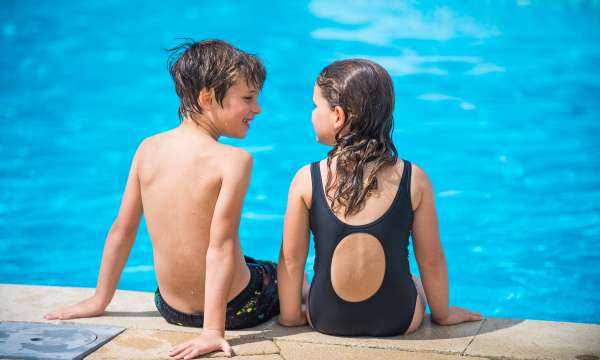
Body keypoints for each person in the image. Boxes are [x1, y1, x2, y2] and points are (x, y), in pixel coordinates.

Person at [44, 39, 279, 358]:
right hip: (235, 307)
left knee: (245, 260)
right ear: (208, 97)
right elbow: (219, 245)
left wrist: (100, 300)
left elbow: (121, 231)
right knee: (280, 273)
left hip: (171, 308)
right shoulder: (233, 160)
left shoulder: (147, 149)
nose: (257, 109)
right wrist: (212, 331)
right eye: (248, 98)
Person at [277, 59, 483, 336]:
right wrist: (443, 314)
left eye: (316, 106)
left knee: (303, 279)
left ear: (337, 115)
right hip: (397, 319)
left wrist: (291, 318)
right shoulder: (413, 178)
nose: (312, 114)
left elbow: (291, 260)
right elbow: (431, 258)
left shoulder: (307, 179)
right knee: (416, 280)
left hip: (327, 318)